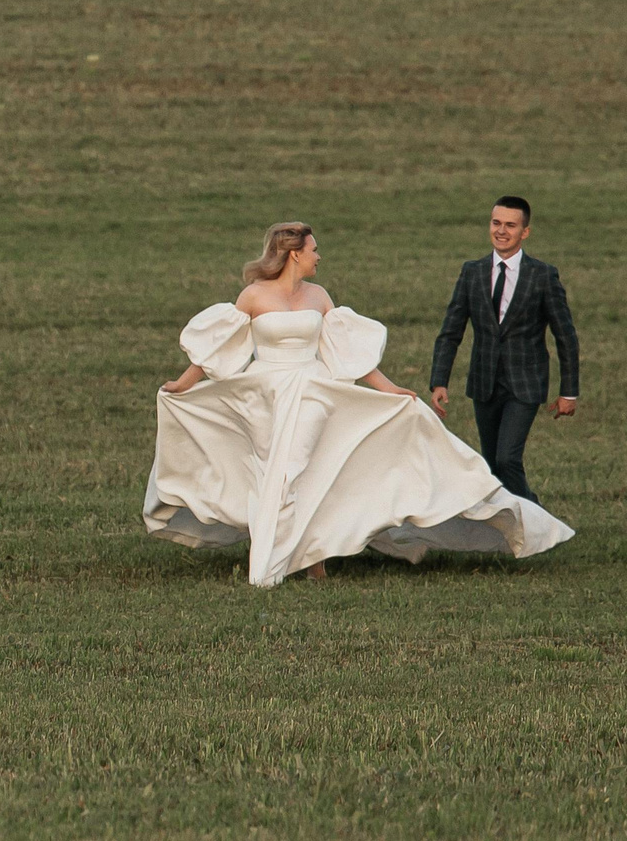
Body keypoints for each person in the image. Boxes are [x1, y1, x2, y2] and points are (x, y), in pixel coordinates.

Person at [144, 221, 573, 588]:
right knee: (274, 473)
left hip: (313, 390)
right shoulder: (253, 295)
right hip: (265, 395)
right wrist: (181, 385)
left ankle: (302, 559)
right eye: (314, 250)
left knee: (300, 467)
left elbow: (347, 353)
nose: (319, 256)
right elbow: (218, 347)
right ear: (293, 253)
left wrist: (392, 391)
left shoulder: (319, 296)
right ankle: (301, 556)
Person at [429, 196, 579, 504]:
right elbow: (451, 331)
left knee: (508, 458)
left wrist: (569, 392)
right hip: (484, 384)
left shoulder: (543, 276)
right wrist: (439, 380)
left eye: (510, 225)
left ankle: (535, 515)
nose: (501, 231)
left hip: (525, 385)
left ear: (525, 232)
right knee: (492, 465)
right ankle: (510, 530)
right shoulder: (472, 272)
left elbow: (565, 335)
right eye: (496, 223)